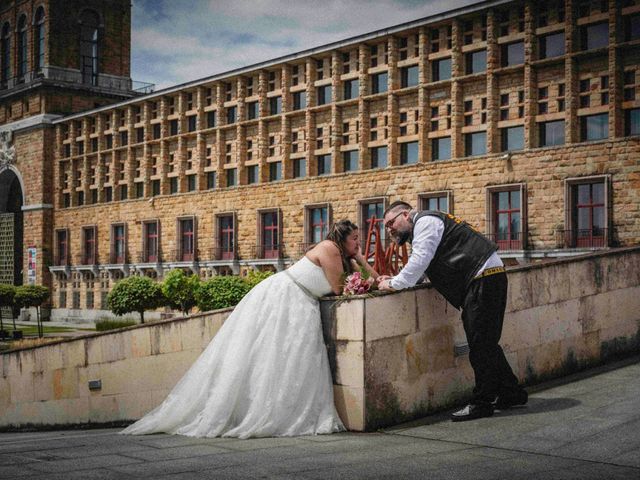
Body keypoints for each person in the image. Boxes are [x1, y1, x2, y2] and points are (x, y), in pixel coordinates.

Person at [121, 220, 377, 438]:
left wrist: (361, 260)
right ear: (342, 238)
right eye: (355, 238)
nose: (358, 243)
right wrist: (360, 266)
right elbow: (338, 289)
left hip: (302, 303)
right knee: (268, 354)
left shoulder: (344, 256)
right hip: (285, 297)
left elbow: (372, 279)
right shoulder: (330, 249)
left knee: (294, 358)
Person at [377, 201, 527, 422]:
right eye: (386, 226)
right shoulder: (425, 225)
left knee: (480, 344)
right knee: (485, 342)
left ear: (406, 215)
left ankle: (481, 403)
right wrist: (395, 278)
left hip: (482, 278)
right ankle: (511, 392)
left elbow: (419, 262)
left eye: (391, 222)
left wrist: (392, 284)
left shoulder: (425, 222)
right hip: (483, 278)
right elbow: (424, 265)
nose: (389, 229)